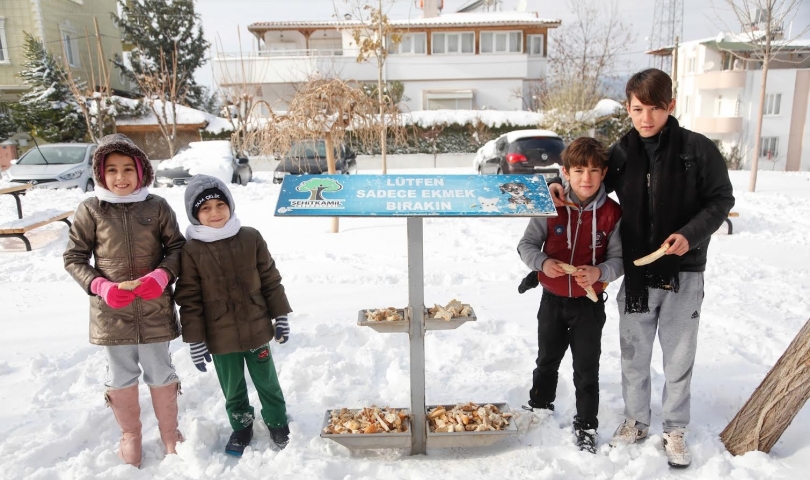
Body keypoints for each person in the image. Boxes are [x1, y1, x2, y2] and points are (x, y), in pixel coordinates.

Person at [549, 69, 735, 468]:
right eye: (637, 109)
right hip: (635, 273)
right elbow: (584, 172)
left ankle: (675, 427)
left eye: (654, 108)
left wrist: (691, 234)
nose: (646, 118)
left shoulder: (697, 150)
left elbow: (721, 199)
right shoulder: (620, 153)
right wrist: (555, 183)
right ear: (628, 108)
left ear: (670, 106)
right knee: (634, 353)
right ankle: (636, 420)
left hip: (684, 271)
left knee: (679, 355)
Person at [63, 134, 186, 468]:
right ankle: (130, 435)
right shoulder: (90, 208)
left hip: (154, 309)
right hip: (111, 313)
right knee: (121, 375)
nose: (121, 177)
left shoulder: (157, 205)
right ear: (101, 173)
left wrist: (162, 276)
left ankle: (170, 432)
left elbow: (177, 249)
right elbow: (74, 257)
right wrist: (100, 286)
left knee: (160, 371)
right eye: (112, 169)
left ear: (141, 170)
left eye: (128, 168)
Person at [517, 137, 624, 453]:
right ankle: (540, 404)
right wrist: (544, 263)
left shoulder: (612, 214)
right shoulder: (549, 207)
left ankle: (587, 425)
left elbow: (618, 260)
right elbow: (526, 245)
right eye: (578, 171)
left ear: (604, 173)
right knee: (546, 358)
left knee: (587, 368)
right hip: (551, 300)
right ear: (565, 171)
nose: (586, 178)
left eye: (593, 171)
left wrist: (599, 273)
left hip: (589, 306)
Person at [174, 174, 293, 456]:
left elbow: (270, 279)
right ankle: (241, 427)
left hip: (257, 329)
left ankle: (277, 422)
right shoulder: (191, 250)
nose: (215, 213)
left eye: (220, 204)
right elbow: (189, 298)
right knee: (233, 387)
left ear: (230, 204)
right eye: (205, 208)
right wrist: (195, 339)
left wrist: (281, 315)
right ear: (194, 214)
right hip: (220, 336)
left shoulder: (250, 237)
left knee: (268, 382)